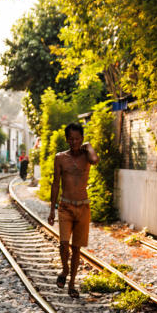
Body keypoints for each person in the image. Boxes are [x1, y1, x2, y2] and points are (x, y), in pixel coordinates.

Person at [48, 123, 98, 298]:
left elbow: (95, 160)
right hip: (65, 207)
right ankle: (65, 269)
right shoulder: (60, 158)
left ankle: (72, 283)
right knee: (63, 243)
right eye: (71, 139)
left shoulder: (87, 156)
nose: (74, 142)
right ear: (67, 139)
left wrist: (90, 146)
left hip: (83, 207)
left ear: (82, 139)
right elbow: (56, 184)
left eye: (78, 139)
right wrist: (52, 210)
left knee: (77, 248)